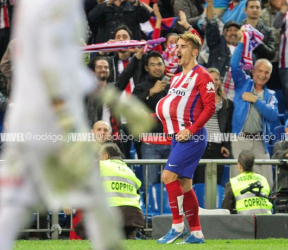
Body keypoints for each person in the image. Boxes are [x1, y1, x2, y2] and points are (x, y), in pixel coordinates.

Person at [0, 1, 124, 249]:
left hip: (30, 118)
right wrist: (65, 120)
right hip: (48, 119)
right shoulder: (55, 4)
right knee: (97, 203)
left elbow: (59, 64)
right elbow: (50, 66)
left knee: (14, 205)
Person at [155, 32, 215, 244]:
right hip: (178, 137)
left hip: (192, 136)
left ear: (195, 51)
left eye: (183, 46)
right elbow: (174, 107)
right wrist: (154, 115)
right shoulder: (178, 78)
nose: (177, 50)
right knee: (185, 185)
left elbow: (210, 107)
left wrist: (192, 129)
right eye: (177, 46)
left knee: (167, 177)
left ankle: (177, 226)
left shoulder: (202, 75)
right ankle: (197, 233)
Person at [230, 33, 279, 188]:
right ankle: (238, 212)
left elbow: (273, 116)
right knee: (239, 181)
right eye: (260, 71)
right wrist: (241, 43)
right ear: (253, 71)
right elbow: (233, 64)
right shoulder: (243, 83)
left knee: (267, 182)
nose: (263, 75)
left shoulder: (271, 95)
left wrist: (255, 100)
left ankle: (264, 210)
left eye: (267, 73)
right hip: (240, 139)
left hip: (259, 141)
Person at [74, 143, 144, 240]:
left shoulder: (101, 164)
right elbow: (138, 195)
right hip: (134, 217)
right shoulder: (130, 172)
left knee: (81, 228)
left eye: (99, 156)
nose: (97, 158)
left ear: (106, 156)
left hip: (111, 213)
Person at [132, 51, 171, 190]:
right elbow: (131, 105)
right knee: (150, 183)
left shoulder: (173, 86)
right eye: (152, 65)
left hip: (172, 141)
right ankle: (149, 211)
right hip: (150, 142)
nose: (157, 67)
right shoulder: (141, 87)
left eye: (160, 64)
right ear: (146, 68)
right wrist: (150, 92)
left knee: (173, 183)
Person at [193, 67, 234, 185]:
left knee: (215, 184)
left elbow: (228, 127)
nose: (214, 82)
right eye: (211, 79)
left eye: (217, 79)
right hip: (200, 145)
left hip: (218, 147)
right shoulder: (195, 100)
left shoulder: (227, 103)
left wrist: (226, 145)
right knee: (199, 182)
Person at [205, 0, 242, 100]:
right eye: (229, 30)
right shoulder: (217, 46)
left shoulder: (246, 51)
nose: (233, 33)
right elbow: (212, 23)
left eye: (236, 30)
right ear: (224, 33)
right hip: (216, 94)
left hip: (237, 97)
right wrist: (210, 4)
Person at [222, 150, 272, 214]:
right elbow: (270, 201)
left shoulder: (233, 183)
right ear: (253, 165)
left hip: (244, 222)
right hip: (267, 221)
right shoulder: (263, 180)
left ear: (239, 165)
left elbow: (226, 210)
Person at [260, 0, 283, 89]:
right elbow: (263, 35)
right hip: (270, 59)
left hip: (286, 60)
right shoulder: (263, 14)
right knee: (269, 89)